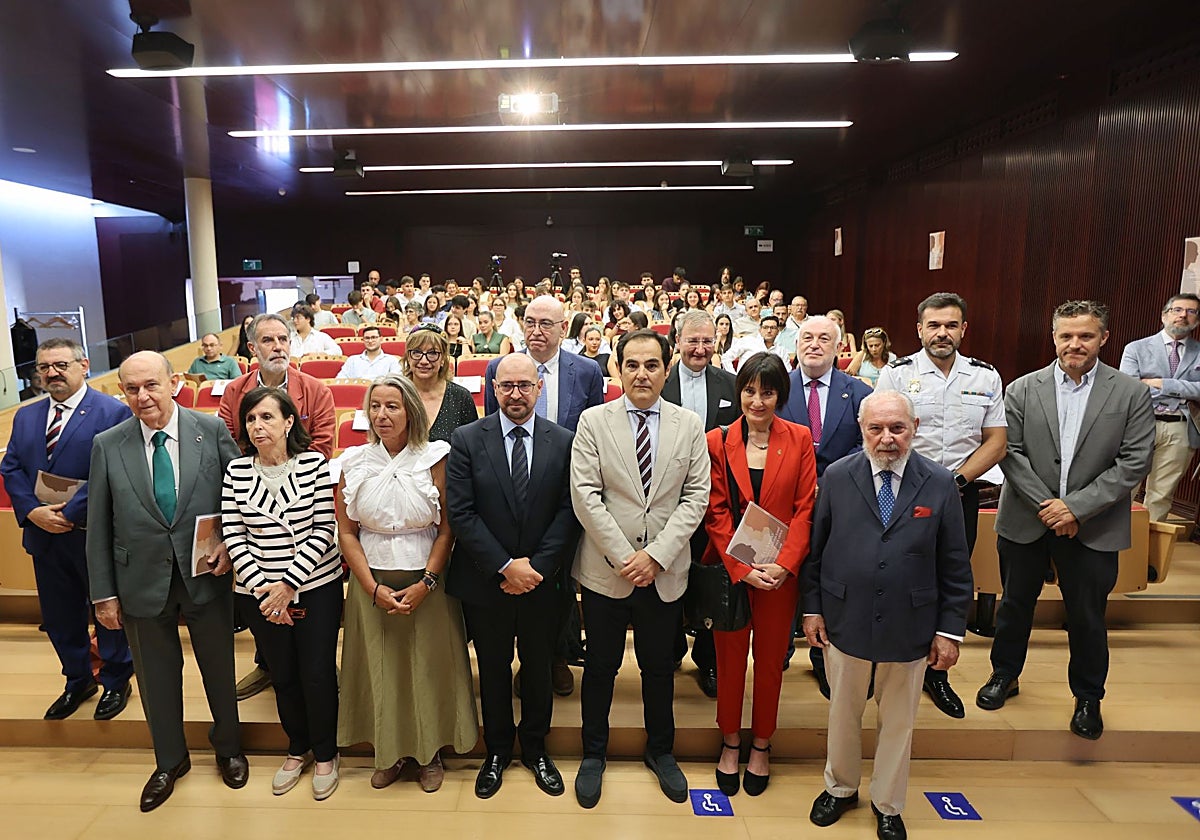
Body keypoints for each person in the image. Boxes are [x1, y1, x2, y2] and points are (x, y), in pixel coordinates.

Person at [978, 300, 1154, 740]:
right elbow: (1010, 453)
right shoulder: (1021, 388)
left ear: (1104, 339)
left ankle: (1089, 696)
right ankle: (1005, 675)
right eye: (1066, 336)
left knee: (1088, 615)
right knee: (1015, 605)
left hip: (1094, 525)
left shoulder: (1130, 392)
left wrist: (1075, 507)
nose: (1075, 344)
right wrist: (1050, 507)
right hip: (1026, 519)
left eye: (1086, 336)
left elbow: (1133, 462)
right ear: (1053, 337)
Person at [803, 391, 972, 840]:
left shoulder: (939, 483)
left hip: (911, 623)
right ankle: (839, 788)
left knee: (899, 719)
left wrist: (950, 631)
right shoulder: (837, 477)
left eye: (897, 428)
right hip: (845, 616)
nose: (887, 439)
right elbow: (816, 551)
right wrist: (813, 608)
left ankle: (888, 802)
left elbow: (955, 563)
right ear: (862, 430)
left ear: (914, 426)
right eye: (875, 429)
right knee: (843, 711)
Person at [87, 351, 247, 812]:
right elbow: (99, 525)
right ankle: (169, 760)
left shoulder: (211, 430)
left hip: (205, 574)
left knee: (218, 669)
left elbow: (239, 497)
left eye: (151, 385)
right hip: (138, 580)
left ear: (173, 382)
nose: (143, 396)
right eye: (132, 388)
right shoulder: (108, 444)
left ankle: (229, 747)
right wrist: (103, 595)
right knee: (157, 679)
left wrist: (230, 548)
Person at [569, 329, 710, 808]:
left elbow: (696, 498)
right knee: (602, 667)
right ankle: (593, 753)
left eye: (652, 364)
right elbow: (585, 497)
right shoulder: (593, 422)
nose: (642, 373)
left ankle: (661, 751)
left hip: (665, 571)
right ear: (618, 368)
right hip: (607, 570)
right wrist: (626, 557)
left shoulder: (689, 424)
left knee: (657, 668)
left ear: (666, 369)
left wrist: (656, 557)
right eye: (632, 364)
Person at [446, 355, 581, 800]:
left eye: (525, 385)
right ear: (493, 389)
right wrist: (507, 567)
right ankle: (498, 750)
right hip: (488, 582)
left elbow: (569, 511)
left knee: (540, 668)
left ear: (539, 388)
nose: (516, 394)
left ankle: (537, 749)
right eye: (507, 386)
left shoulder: (563, 441)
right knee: (494, 667)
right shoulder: (467, 439)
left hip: (544, 582)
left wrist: (536, 568)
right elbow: (461, 513)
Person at [336, 374, 476, 792]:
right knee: (383, 671)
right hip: (372, 583)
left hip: (427, 581)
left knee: (428, 669)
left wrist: (428, 581)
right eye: (375, 406)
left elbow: (450, 527)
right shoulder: (353, 461)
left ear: (411, 410)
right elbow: (346, 531)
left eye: (392, 406)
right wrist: (371, 587)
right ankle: (390, 750)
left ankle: (430, 751)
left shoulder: (437, 456)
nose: (382, 415)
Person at [874, 291, 1006, 714]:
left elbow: (996, 441)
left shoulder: (985, 378)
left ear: (964, 329)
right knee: (895, 574)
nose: (942, 333)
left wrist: (956, 480)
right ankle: (884, 663)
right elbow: (880, 434)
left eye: (951, 325)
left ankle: (937, 674)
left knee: (949, 578)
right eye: (934, 325)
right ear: (919, 330)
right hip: (901, 493)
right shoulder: (897, 374)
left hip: (958, 494)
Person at [1, 339, 134, 721]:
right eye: (44, 367)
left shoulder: (114, 413)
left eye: (60, 364)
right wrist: (34, 512)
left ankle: (115, 680)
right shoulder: (26, 416)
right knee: (60, 616)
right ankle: (77, 679)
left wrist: (69, 513)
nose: (52, 373)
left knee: (106, 611)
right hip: (44, 536)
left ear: (83, 365)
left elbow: (111, 473)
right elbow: (11, 468)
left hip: (92, 533)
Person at [705, 353, 817, 796]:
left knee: (771, 663)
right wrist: (741, 568)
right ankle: (731, 739)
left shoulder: (801, 438)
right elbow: (714, 513)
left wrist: (783, 565)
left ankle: (762, 743)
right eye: (749, 390)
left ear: (779, 396)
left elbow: (806, 507)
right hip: (733, 572)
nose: (757, 400)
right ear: (739, 392)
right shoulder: (718, 440)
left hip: (778, 575)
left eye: (767, 392)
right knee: (730, 662)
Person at [221, 388, 342, 799]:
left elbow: (325, 529)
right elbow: (234, 534)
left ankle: (326, 752)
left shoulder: (313, 464)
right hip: (259, 595)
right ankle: (298, 747)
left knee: (317, 673)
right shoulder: (237, 471)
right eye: (251, 419)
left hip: (314, 588)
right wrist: (264, 591)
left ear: (289, 422)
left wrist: (289, 584)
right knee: (284, 674)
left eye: (267, 417)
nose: (258, 427)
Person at [218, 313, 337, 699]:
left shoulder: (315, 389)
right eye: (268, 340)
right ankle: (268, 662)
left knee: (309, 629)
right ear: (252, 348)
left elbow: (321, 443)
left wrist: (285, 466)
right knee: (261, 595)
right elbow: (226, 447)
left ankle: (311, 665)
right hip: (251, 492)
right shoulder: (235, 391)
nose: (279, 347)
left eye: (284, 339)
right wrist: (256, 465)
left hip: (301, 497)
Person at [779, 315, 874, 690]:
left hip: (842, 502)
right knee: (786, 573)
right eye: (807, 337)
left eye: (824, 338)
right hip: (785, 501)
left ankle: (821, 656)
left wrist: (828, 482)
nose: (814, 344)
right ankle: (781, 648)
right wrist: (803, 481)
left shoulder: (860, 392)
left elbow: (866, 444)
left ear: (839, 348)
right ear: (796, 344)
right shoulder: (777, 388)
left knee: (829, 576)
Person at [661, 310, 740, 698]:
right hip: (665, 502)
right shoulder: (659, 382)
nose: (700, 348)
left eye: (707, 341)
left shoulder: (731, 384)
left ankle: (707, 661)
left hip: (716, 504)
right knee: (668, 576)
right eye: (692, 340)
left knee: (711, 580)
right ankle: (672, 647)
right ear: (677, 340)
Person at [1118, 293, 1200, 521]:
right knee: (1124, 489)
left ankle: (1146, 553)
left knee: (1162, 494)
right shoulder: (1136, 348)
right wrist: (1186, 389)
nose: (1183, 315)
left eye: (1191, 312)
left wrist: (1162, 383)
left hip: (1181, 429)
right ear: (1164, 315)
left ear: (1197, 321)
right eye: (1177, 310)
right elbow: (1131, 388)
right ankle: (1114, 550)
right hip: (1141, 424)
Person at [403, 325, 478, 443]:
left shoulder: (460, 397)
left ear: (443, 359)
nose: (424, 361)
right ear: (408, 357)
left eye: (432, 353)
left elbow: (473, 446)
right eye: (417, 353)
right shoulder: (397, 393)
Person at [723, 314, 792, 372]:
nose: (769, 331)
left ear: (778, 331)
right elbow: (726, 358)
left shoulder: (781, 351)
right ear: (760, 330)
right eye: (765, 327)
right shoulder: (748, 341)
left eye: (773, 328)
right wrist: (734, 376)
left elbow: (788, 372)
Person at [338, 324, 402, 379]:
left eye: (374, 337)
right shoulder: (352, 360)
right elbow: (340, 380)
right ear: (363, 340)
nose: (370, 341)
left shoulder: (392, 360)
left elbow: (395, 383)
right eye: (367, 338)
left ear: (381, 339)